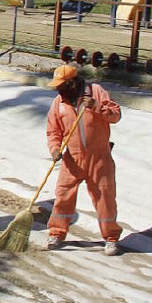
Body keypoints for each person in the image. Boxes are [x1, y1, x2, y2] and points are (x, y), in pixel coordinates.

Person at [45, 64, 122, 255]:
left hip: (99, 157)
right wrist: (54, 149)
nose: (58, 89)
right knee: (63, 196)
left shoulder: (96, 92)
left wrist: (96, 107)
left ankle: (111, 238)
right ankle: (57, 233)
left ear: (72, 83)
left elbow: (116, 116)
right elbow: (53, 131)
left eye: (62, 85)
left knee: (104, 197)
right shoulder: (58, 103)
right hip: (72, 157)